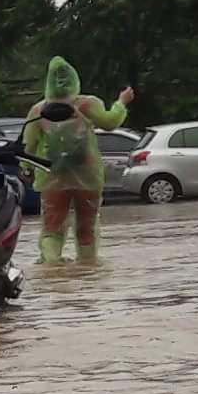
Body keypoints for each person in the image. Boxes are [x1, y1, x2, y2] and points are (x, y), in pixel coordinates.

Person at [23, 56, 130, 263]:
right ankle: (88, 267)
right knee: (87, 225)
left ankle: (52, 266)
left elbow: (28, 146)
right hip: (88, 176)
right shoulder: (87, 104)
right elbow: (110, 123)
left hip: (52, 177)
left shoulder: (38, 111)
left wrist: (26, 169)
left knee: (52, 227)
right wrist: (121, 102)